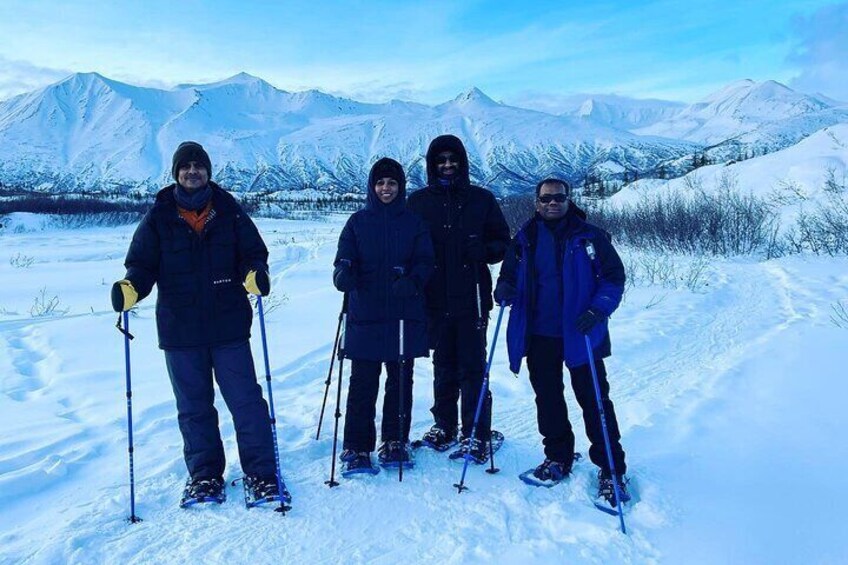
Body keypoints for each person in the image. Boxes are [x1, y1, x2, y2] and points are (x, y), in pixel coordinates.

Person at [111, 141, 280, 503]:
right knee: (193, 407)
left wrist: (254, 274)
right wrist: (131, 289)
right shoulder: (159, 217)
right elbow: (141, 265)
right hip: (180, 329)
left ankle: (262, 473)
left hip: (229, 326)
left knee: (246, 401)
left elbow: (253, 253)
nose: (192, 172)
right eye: (185, 167)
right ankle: (205, 476)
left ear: (208, 172)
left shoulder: (229, 211)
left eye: (198, 166)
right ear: (175, 174)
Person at [494, 178, 631, 505]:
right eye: (546, 198)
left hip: (582, 331)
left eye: (559, 197)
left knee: (595, 401)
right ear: (537, 201)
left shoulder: (591, 236)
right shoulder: (524, 237)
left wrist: (599, 309)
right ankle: (558, 456)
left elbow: (614, 278)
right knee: (548, 398)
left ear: (569, 200)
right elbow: (507, 276)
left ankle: (612, 469)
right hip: (539, 333)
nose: (552, 203)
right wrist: (503, 290)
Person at [407, 134, 510, 463]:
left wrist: (486, 251)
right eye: (441, 161)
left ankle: (476, 432)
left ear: (463, 163)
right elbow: (407, 246)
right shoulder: (419, 202)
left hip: (472, 297)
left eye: (453, 160)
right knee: (443, 364)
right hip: (434, 298)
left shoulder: (481, 199)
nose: (447, 165)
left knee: (473, 366)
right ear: (432, 165)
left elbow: (502, 242)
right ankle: (445, 425)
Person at [333, 157, 434, 474]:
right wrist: (342, 274)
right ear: (371, 187)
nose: (385, 188)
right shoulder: (357, 222)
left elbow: (425, 260)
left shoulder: (413, 222)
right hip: (365, 313)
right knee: (362, 382)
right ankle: (356, 445)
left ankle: (395, 440)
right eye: (380, 183)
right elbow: (344, 258)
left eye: (391, 183)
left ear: (400, 187)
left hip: (403, 313)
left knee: (400, 381)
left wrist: (414, 280)